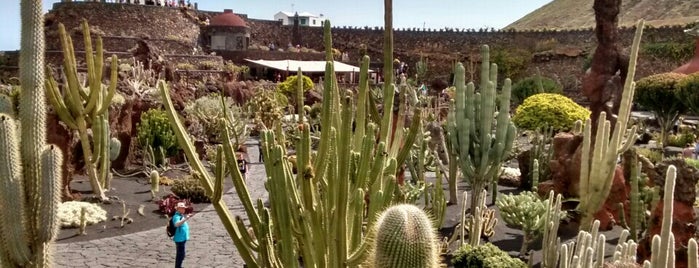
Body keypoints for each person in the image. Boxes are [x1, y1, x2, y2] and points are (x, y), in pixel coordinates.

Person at [173, 202, 193, 268]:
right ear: (178, 209)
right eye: (181, 208)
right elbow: (176, 224)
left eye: (184, 208)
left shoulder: (181, 215)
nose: (183, 210)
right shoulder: (176, 216)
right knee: (180, 255)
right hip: (179, 239)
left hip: (182, 238)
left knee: (182, 254)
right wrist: (186, 218)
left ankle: (179, 266)